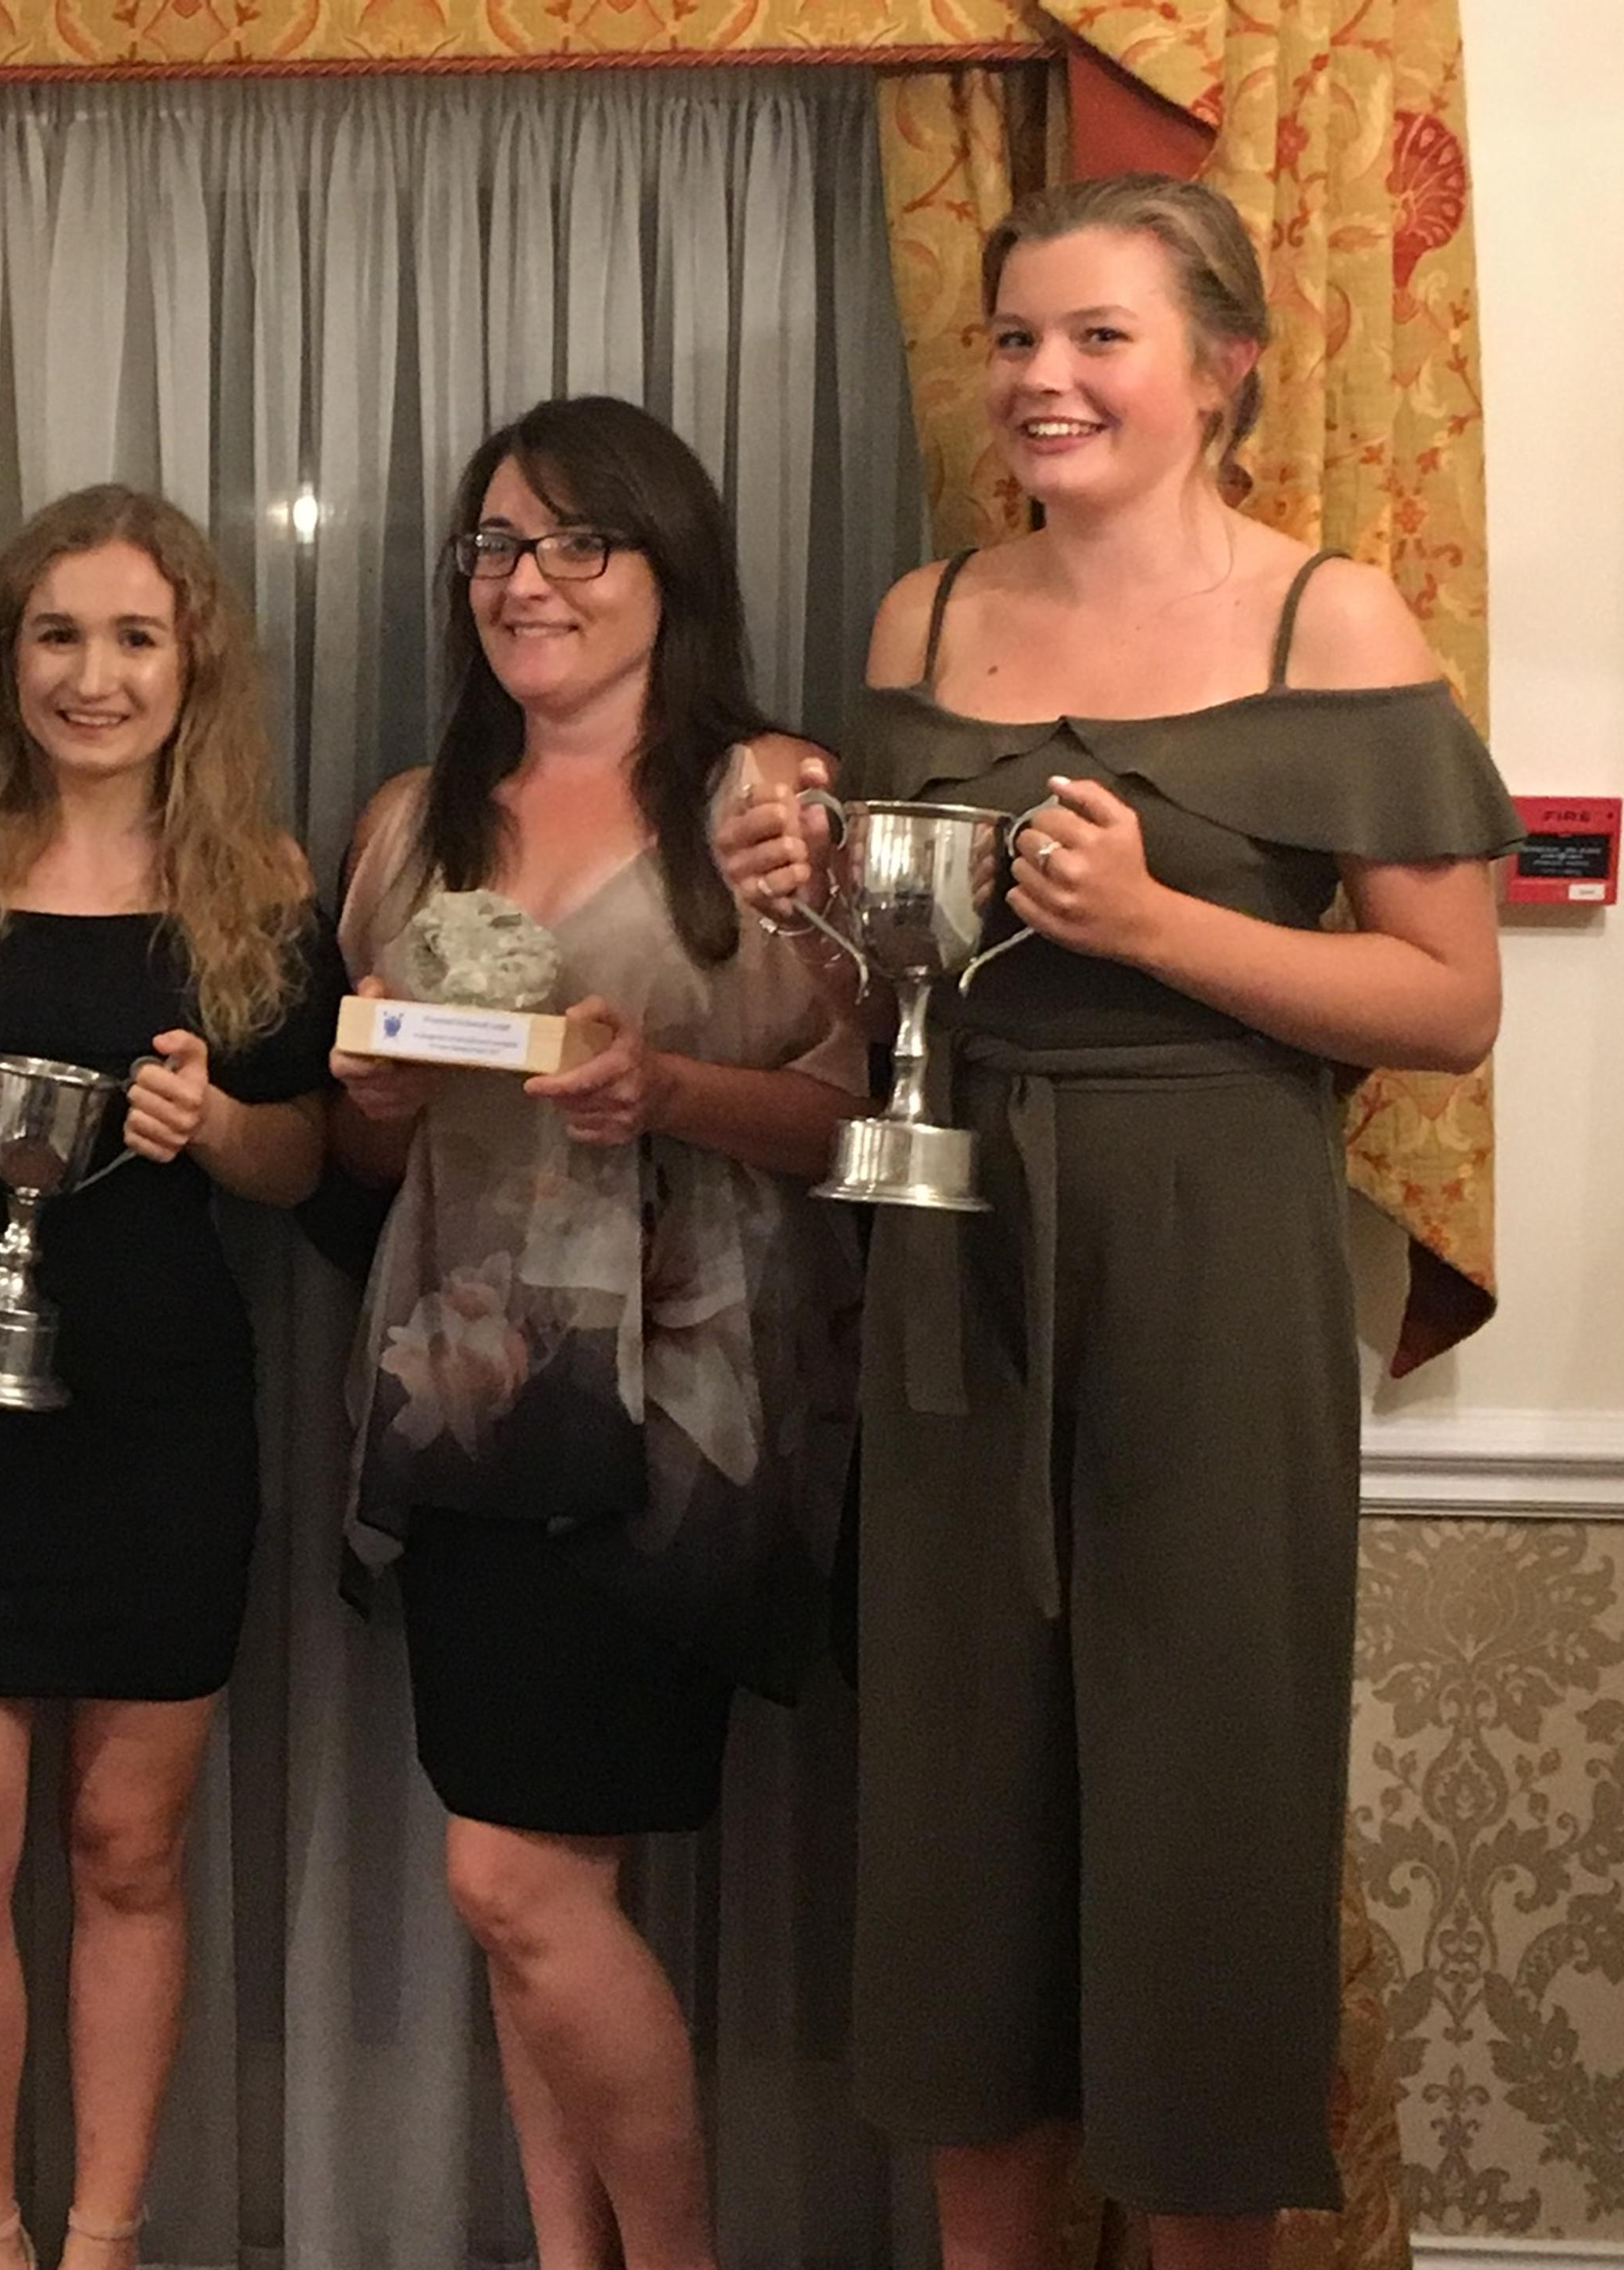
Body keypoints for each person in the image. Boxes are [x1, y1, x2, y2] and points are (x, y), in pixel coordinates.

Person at [717, 173, 1516, 2262]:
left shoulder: (1330, 622)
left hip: (1217, 1245)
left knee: (1203, 1811)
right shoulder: (920, 620)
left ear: (1223, 367)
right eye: (1014, 338)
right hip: (951, 1231)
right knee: (957, 1813)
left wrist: (1160, 928)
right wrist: (803, 908)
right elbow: (874, 1002)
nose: (1040, 379)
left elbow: (1449, 1007)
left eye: (1098, 337)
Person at [329, 394, 863, 2270]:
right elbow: (367, 1149)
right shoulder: (410, 821)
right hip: (465, 1394)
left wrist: (670, 1093)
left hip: (681, 1410)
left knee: (514, 1878)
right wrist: (375, 1100)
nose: (527, 582)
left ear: (669, 565)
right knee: (527, 1880)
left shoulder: (772, 801)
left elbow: (856, 1123)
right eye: (495, 544)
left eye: (577, 542)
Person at [0, 485, 338, 2270]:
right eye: (57, 635)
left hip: (163, 1425)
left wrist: (221, 1127)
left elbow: (308, 1165)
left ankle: (103, 2240)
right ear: (6, 657)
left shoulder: (262, 886)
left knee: (127, 1849)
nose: (92, 677)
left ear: (195, 664)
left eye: (133, 637)